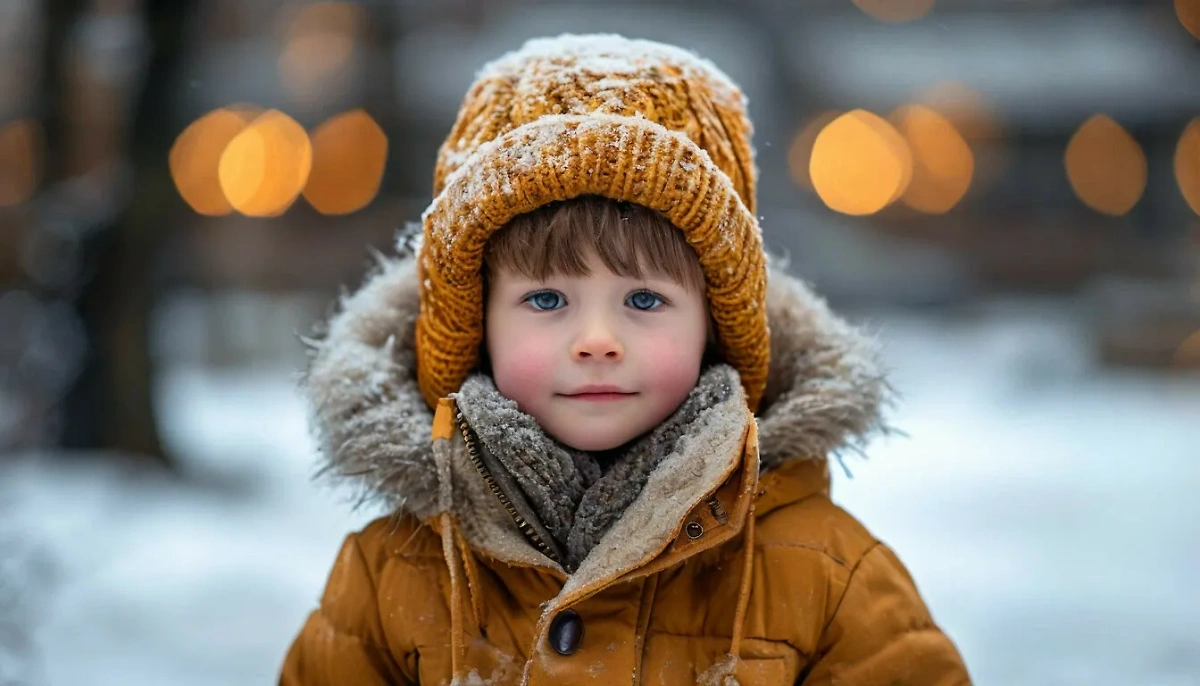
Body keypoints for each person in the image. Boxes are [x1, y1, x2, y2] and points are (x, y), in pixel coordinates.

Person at [280, 34, 970, 685]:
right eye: (547, 300)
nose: (597, 340)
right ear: (475, 326)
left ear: (715, 325)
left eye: (644, 299)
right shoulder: (394, 576)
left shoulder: (825, 575)